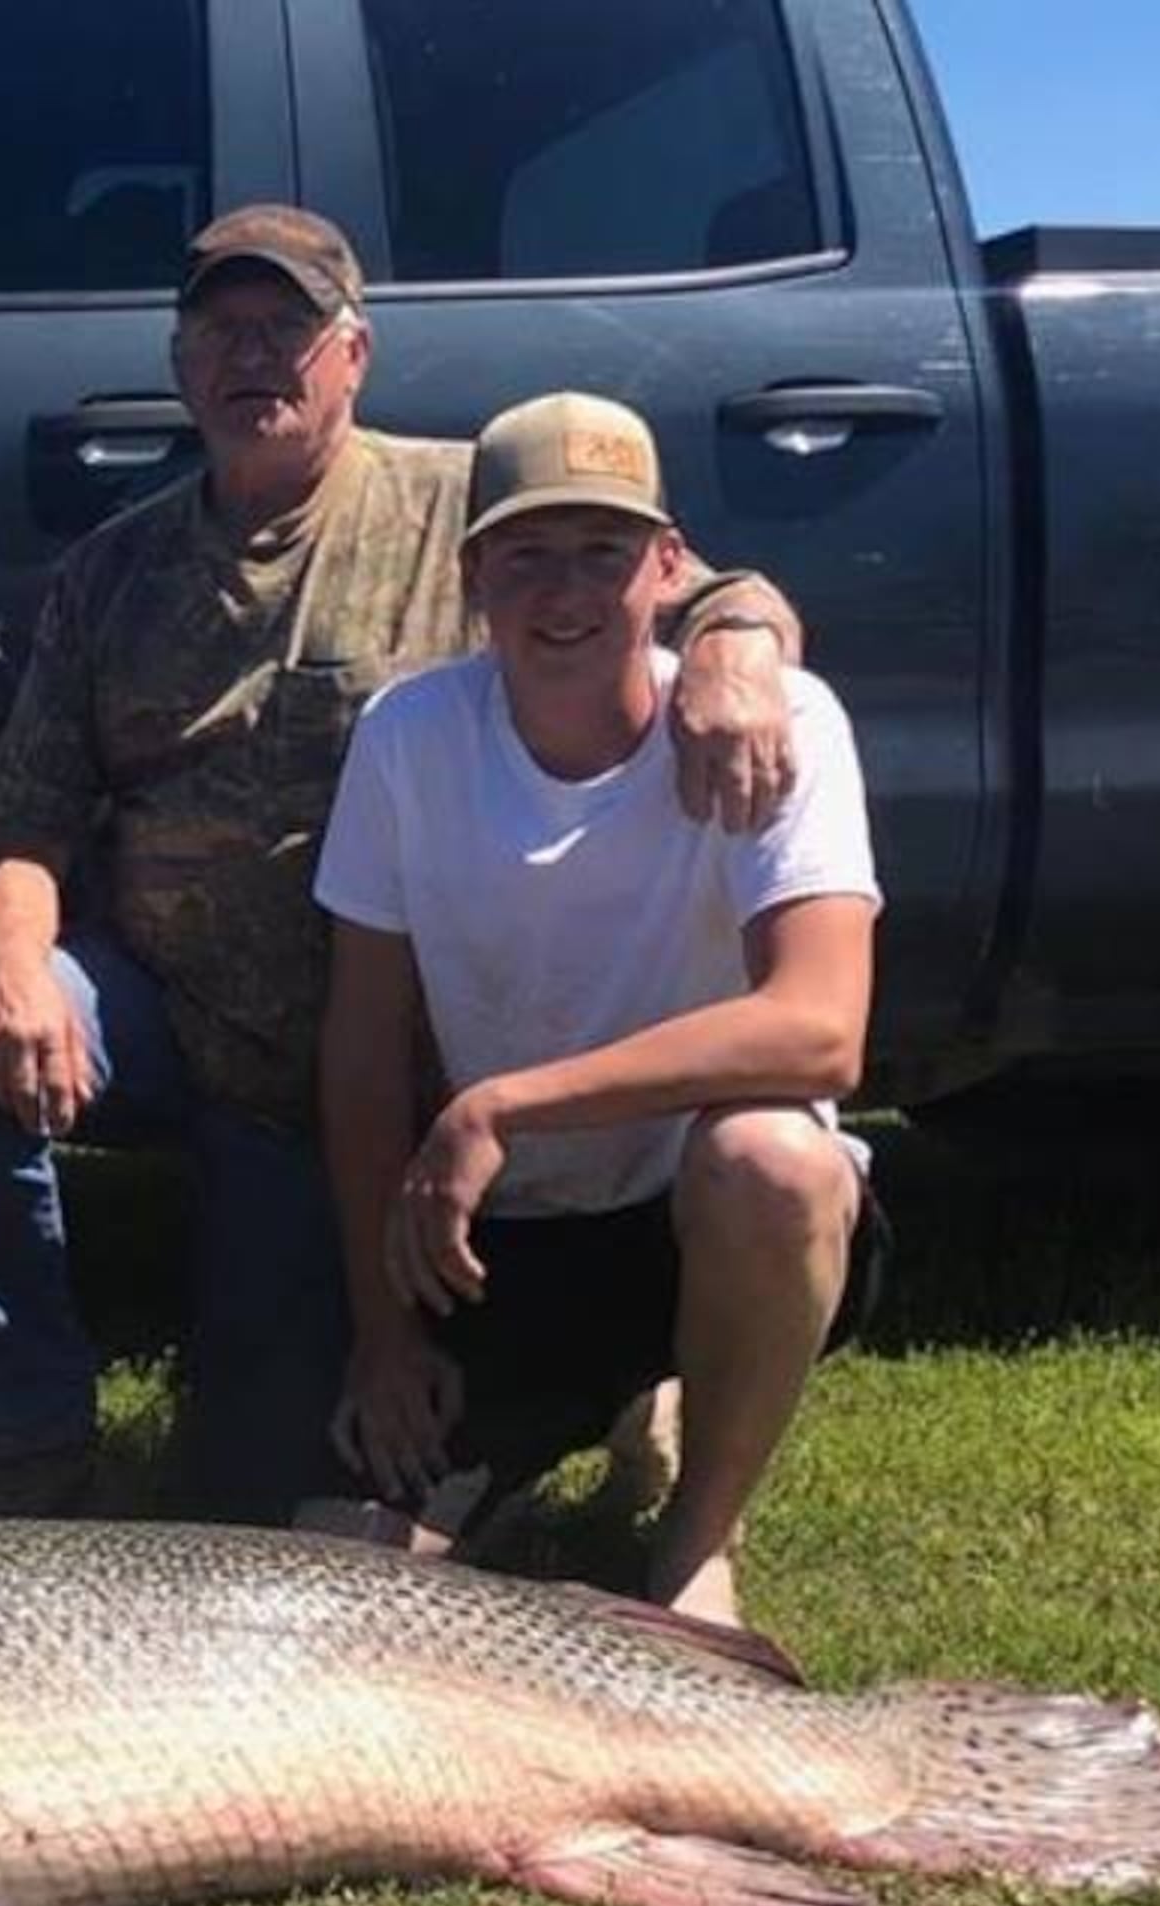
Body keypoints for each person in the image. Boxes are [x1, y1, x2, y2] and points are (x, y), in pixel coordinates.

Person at [0, 204, 811, 1524]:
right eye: (221, 329)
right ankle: (18, 1450)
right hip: (162, 1018)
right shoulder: (111, 572)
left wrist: (741, 651)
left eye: (289, 329)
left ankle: (614, 1368)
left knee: (259, 1492)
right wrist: (15, 960)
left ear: (353, 354)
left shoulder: (469, 510)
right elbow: (25, 821)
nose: (254, 355)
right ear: (181, 359)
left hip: (380, 1065)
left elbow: (695, 584)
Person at [311, 391, 885, 1625]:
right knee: (350, 1562)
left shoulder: (788, 727)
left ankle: (697, 1536)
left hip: (699, 1202)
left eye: (603, 553)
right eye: (524, 554)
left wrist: (501, 1104)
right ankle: (603, 1394)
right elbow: (360, 1046)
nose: (563, 592)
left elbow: (823, 1029)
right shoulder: (408, 738)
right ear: (472, 575)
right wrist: (383, 1330)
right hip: (504, 1237)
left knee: (772, 1157)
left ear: (672, 567)